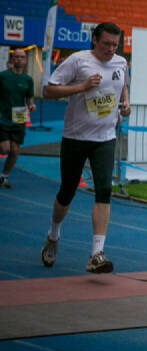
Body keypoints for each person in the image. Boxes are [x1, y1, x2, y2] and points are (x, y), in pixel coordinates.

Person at [40, 22, 131, 272]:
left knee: (104, 189)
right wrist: (81, 87)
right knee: (67, 191)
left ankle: (96, 254)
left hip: (105, 138)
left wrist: (125, 102)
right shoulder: (77, 61)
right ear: (94, 40)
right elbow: (48, 91)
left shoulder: (120, 63)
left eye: (115, 44)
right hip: (76, 137)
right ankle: (53, 235)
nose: (111, 49)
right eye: (106, 44)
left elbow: (122, 84)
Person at [0, 48, 37, 188]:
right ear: (12, 59)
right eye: (16, 57)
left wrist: (31, 105)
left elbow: (29, 97)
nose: (19, 59)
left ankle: (4, 176)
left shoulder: (28, 79)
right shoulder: (3, 76)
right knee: (5, 149)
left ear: (25, 60)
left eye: (22, 57)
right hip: (3, 117)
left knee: (15, 151)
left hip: (19, 118)